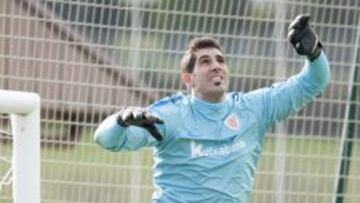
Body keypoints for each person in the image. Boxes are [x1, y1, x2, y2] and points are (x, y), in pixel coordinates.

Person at [94, 14, 330, 203]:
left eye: (220, 60)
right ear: (188, 79)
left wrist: (314, 53)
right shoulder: (170, 116)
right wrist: (121, 120)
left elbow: (313, 82)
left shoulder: (255, 108)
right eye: (206, 62)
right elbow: (106, 140)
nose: (216, 66)